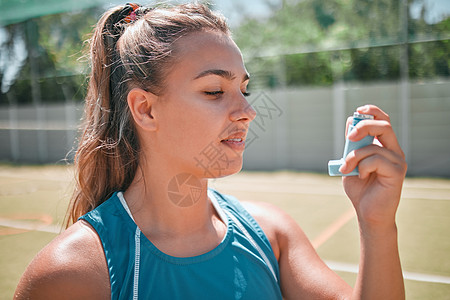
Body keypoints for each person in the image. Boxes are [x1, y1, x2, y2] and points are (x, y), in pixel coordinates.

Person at [14, 2, 407, 299]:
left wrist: (376, 224)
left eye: (245, 89)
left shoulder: (272, 234)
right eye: (215, 91)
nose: (249, 111)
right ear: (145, 109)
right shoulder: (73, 272)